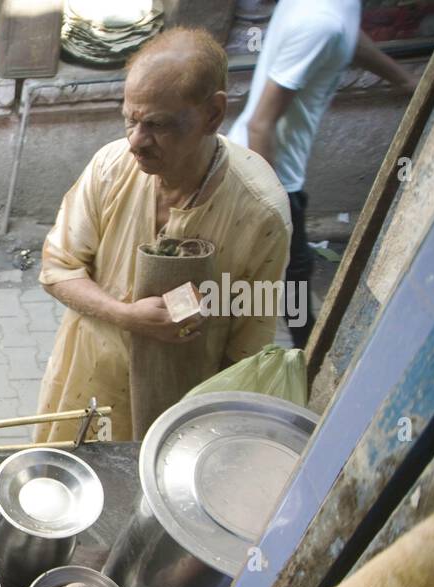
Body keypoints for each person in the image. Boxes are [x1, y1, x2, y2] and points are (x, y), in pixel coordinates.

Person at [34, 27, 292, 443]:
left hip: (184, 404)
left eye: (158, 125)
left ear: (213, 114)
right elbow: (57, 269)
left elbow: (248, 347)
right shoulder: (110, 166)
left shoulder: (260, 213)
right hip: (90, 380)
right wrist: (127, 316)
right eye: (130, 120)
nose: (136, 142)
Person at [227, 0, 416, 348]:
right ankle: (306, 355)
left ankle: (300, 345)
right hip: (267, 170)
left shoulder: (336, 8)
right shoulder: (318, 23)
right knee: (292, 274)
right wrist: (273, 209)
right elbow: (260, 124)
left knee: (285, 274)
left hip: (273, 166)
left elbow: (349, 38)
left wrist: (406, 81)